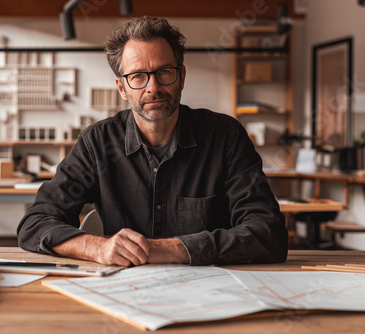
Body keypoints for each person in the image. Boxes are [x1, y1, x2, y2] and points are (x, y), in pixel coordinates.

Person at [17, 16, 288, 267]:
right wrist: (97, 247)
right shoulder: (97, 143)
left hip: (211, 287)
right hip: (122, 289)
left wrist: (177, 249)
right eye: (138, 76)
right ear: (122, 88)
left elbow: (269, 232)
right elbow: (35, 223)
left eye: (164, 72)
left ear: (181, 76)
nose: (153, 88)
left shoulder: (225, 137)